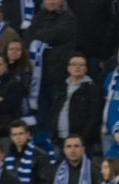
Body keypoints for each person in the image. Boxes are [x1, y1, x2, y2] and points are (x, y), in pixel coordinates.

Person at [23, 0, 78, 130]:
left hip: (59, 78)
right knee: (41, 119)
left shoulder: (68, 17)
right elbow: (26, 36)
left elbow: (55, 34)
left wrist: (37, 36)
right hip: (39, 80)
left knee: (56, 120)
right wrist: (39, 36)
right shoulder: (39, 16)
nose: (51, 2)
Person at [51, 52, 104, 156]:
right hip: (59, 139)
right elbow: (53, 111)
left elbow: (95, 117)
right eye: (74, 64)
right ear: (68, 68)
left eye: (81, 64)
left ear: (86, 69)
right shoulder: (60, 87)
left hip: (82, 141)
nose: (77, 67)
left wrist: (82, 138)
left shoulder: (93, 89)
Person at [5, 119, 53, 184]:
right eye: (15, 135)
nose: (18, 137)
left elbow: (44, 183)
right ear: (11, 137)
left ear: (28, 134)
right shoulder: (7, 158)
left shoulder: (40, 155)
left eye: (21, 134)